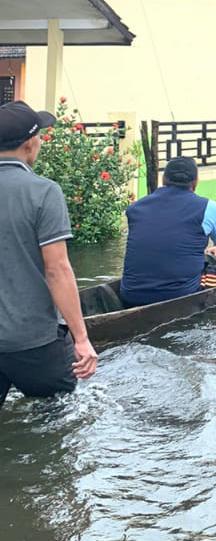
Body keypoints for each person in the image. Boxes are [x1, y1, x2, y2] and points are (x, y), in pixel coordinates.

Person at [0, 101, 97, 409]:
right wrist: (81, 339)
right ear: (30, 145)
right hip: (34, 342)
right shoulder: (43, 191)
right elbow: (58, 270)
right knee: (58, 417)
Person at [120, 157, 216, 307]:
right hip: (181, 292)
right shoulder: (208, 207)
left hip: (130, 294)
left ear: (164, 179)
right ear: (195, 181)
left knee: (208, 257)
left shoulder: (135, 208)